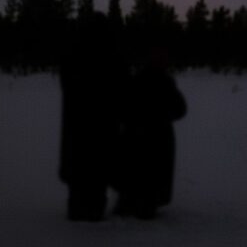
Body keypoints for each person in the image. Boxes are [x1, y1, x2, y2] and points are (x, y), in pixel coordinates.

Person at [58, 14, 129, 221]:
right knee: (95, 185)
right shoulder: (111, 59)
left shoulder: (74, 58)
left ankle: (81, 213)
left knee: (82, 187)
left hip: (80, 139)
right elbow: (123, 94)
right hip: (99, 138)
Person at [115, 47, 187, 219]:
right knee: (147, 172)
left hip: (144, 135)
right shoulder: (156, 81)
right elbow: (180, 109)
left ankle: (135, 203)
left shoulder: (140, 80)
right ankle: (141, 205)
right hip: (150, 136)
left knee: (141, 171)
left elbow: (180, 109)